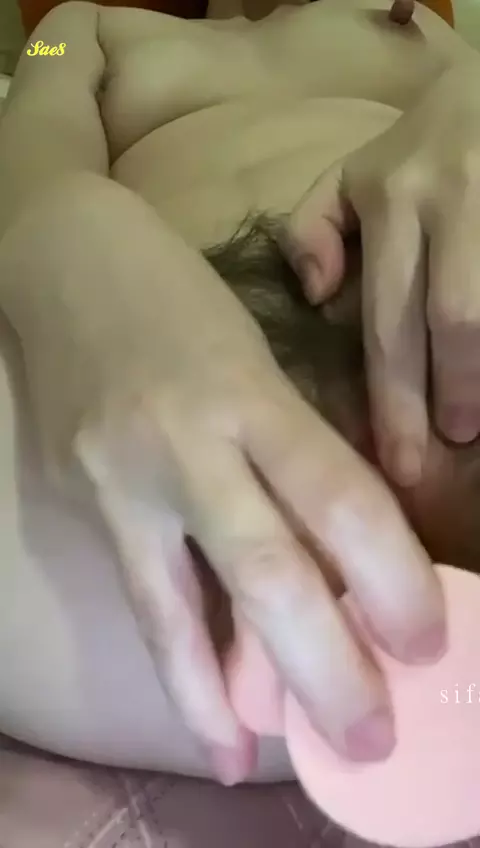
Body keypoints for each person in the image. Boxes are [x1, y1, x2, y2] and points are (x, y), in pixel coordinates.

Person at [0, 0, 479, 786]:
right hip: (153, 395)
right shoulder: (83, 25)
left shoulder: (406, 19)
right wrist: (57, 219)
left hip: (432, 329)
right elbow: (39, 88)